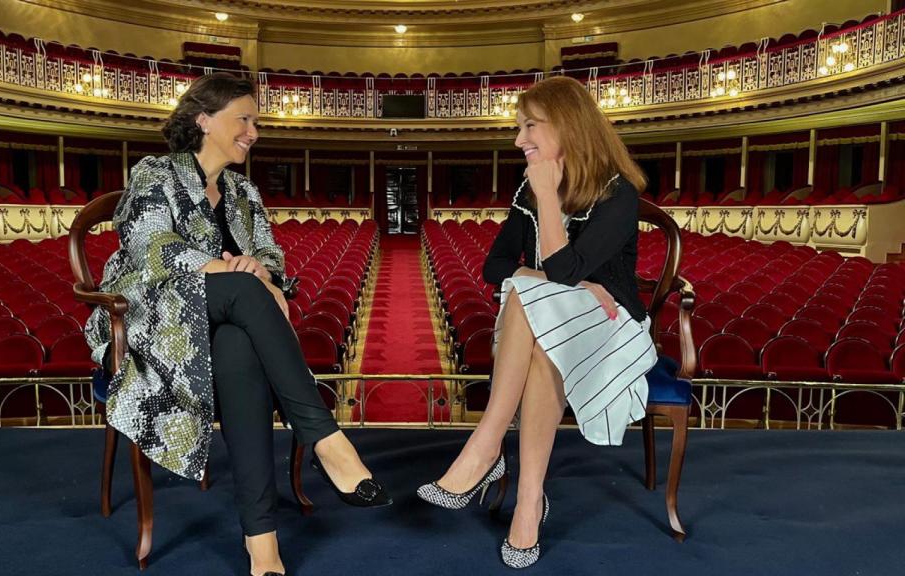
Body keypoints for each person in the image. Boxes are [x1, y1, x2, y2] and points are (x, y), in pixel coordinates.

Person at [84, 72, 390, 576]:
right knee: (245, 293)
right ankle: (326, 440)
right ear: (203, 121)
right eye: (243, 119)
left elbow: (270, 254)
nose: (254, 131)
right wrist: (233, 270)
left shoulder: (243, 191)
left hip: (223, 322)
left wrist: (261, 270)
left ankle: (262, 543)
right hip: (156, 321)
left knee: (237, 350)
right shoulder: (155, 173)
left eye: (256, 121)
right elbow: (150, 247)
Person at [416, 76, 657, 569]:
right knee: (539, 303)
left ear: (567, 126)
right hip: (554, 325)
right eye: (518, 128)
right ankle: (528, 502)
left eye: (529, 127)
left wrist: (549, 199)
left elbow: (564, 270)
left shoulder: (618, 194)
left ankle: (485, 448)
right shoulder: (528, 186)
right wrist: (554, 279)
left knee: (536, 297)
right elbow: (495, 266)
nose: (518, 140)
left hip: (613, 331)